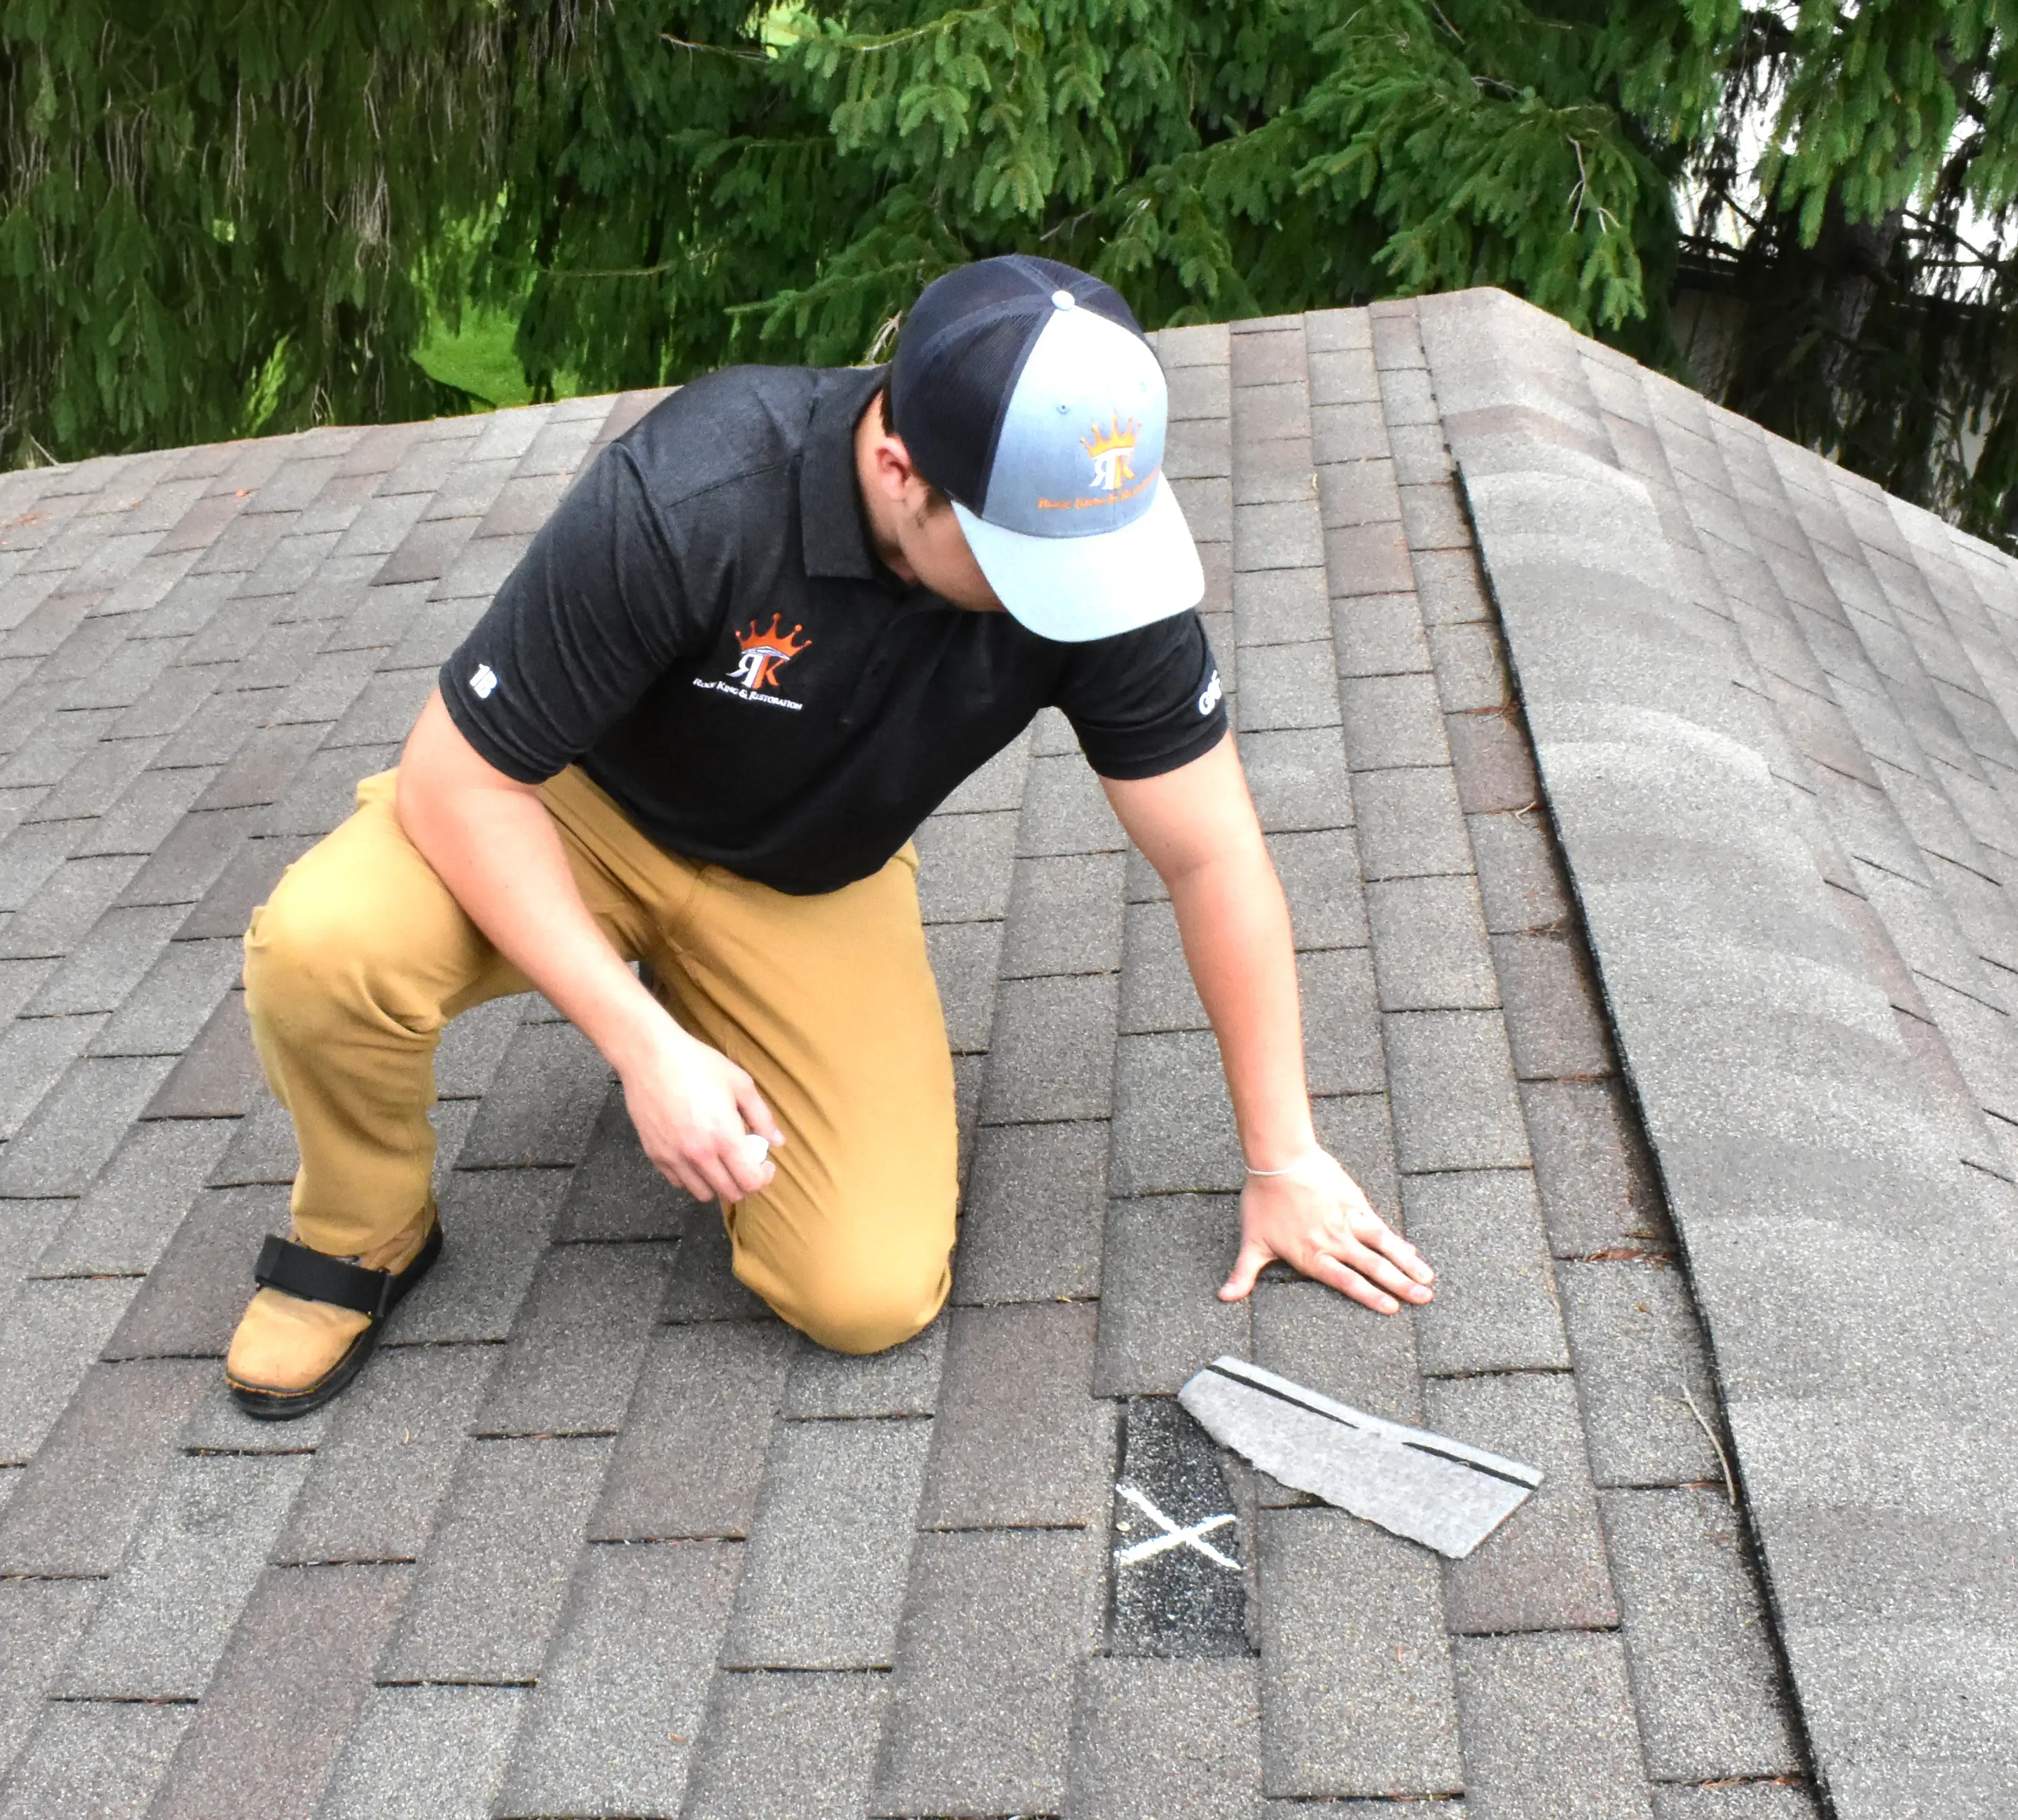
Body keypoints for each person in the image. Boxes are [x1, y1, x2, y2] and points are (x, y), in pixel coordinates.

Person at [223, 254, 1433, 1418]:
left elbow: (1210, 852)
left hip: (804, 881)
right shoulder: (692, 493)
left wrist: (1283, 1155)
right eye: (1017, 562)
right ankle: (363, 1223)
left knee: (865, 1291)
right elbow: (457, 779)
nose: (1059, 598)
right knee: (323, 946)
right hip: (568, 816)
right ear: (899, 465)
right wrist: (642, 1044)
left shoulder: (1091, 551)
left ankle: (717, 1008)